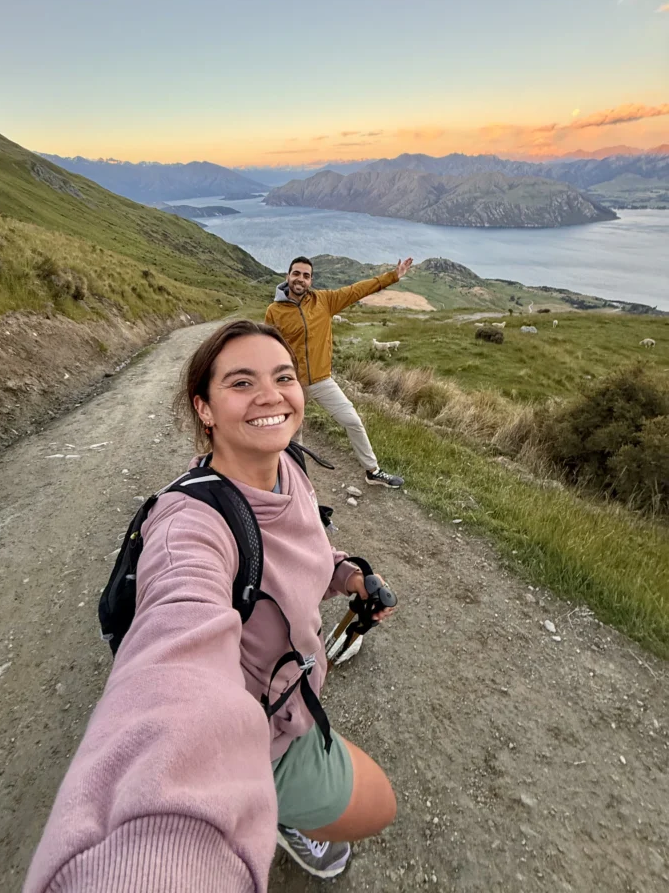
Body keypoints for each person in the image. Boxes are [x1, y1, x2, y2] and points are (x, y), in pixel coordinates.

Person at [24, 320, 396, 893]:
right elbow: (174, 656)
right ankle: (271, 808)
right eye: (241, 383)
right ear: (204, 408)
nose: (271, 395)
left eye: (284, 377)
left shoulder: (288, 466)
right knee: (378, 805)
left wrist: (347, 576)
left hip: (291, 686)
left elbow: (304, 553)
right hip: (254, 731)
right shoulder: (188, 526)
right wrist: (151, 851)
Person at [265, 255, 414, 487]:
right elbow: (269, 350)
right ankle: (296, 485)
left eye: (306, 276)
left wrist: (392, 276)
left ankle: (372, 471)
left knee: (352, 420)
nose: (300, 279)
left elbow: (357, 290)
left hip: (322, 380)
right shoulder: (274, 311)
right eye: (296, 274)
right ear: (287, 277)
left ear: (311, 280)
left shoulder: (324, 301)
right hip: (292, 383)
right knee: (293, 435)